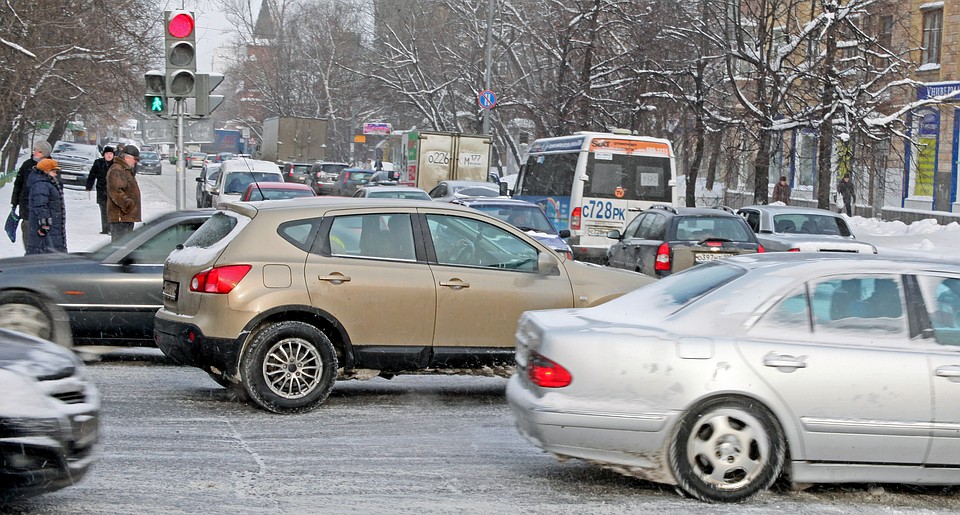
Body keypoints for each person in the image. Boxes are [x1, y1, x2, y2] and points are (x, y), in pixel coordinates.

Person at [10, 141, 51, 250]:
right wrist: (14, 202)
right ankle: (29, 253)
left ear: (44, 153)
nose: (35, 152)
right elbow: (18, 184)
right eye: (35, 149)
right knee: (27, 229)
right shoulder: (27, 164)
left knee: (43, 233)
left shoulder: (50, 166)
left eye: (38, 150)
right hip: (27, 204)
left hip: (44, 207)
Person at [25, 158, 66, 254]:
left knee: (48, 251)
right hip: (46, 229)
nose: (56, 174)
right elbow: (40, 205)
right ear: (46, 171)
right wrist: (44, 224)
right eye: (53, 171)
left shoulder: (46, 183)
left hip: (52, 226)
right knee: (44, 253)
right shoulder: (41, 185)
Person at [106, 145, 142, 242]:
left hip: (125, 217)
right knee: (119, 247)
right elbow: (115, 191)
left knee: (124, 246)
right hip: (121, 216)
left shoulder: (124, 169)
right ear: (126, 157)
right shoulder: (117, 170)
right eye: (135, 159)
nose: (136, 162)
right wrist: (127, 204)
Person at [86, 146, 114, 234]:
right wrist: (89, 186)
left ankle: (112, 228)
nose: (109, 156)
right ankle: (106, 228)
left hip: (113, 191)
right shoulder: (98, 163)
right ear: (103, 155)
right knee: (103, 209)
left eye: (111, 154)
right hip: (101, 189)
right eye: (107, 154)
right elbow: (92, 174)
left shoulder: (116, 164)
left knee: (112, 209)